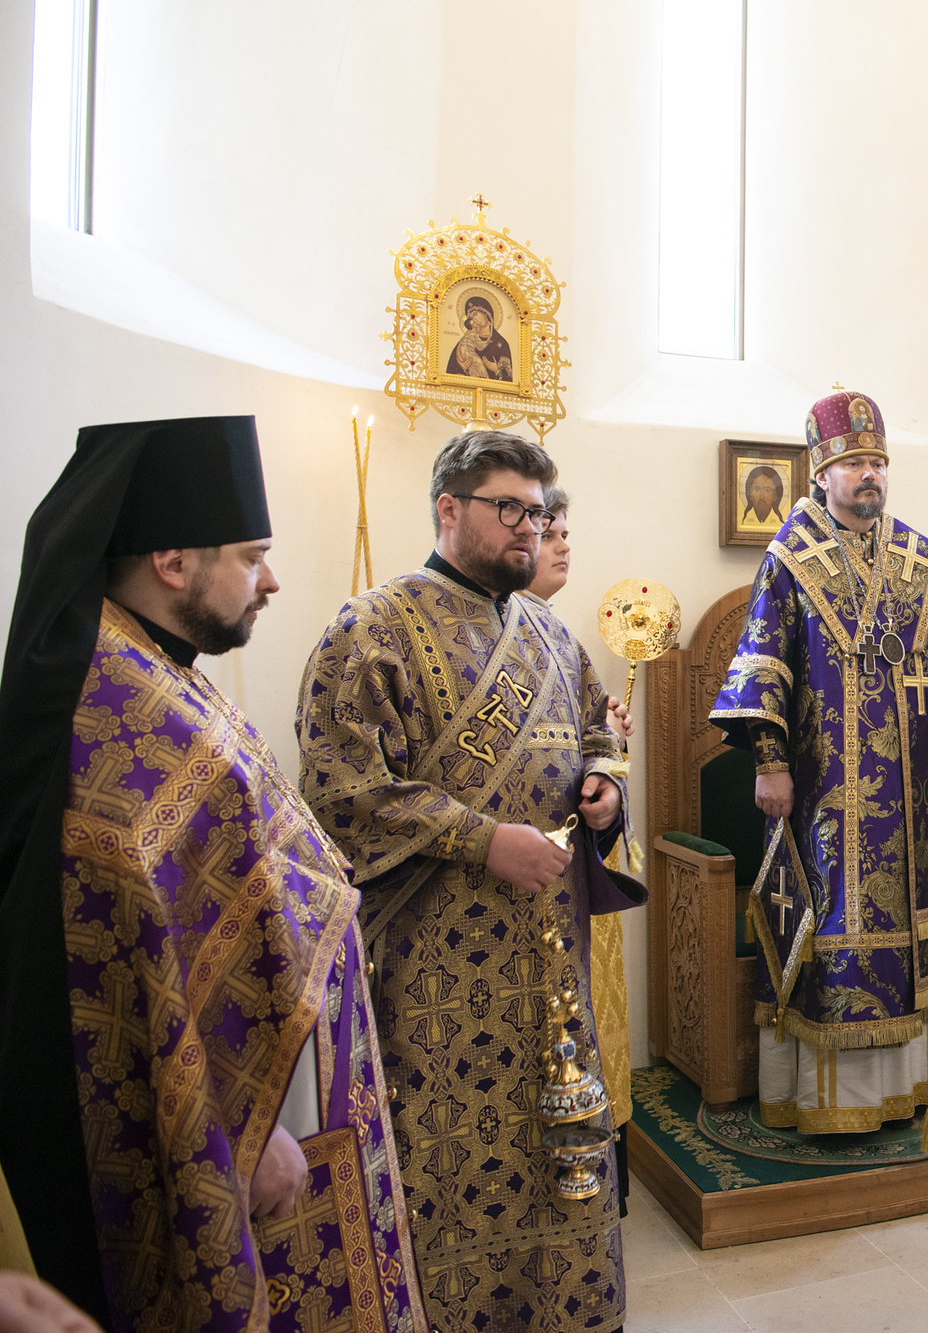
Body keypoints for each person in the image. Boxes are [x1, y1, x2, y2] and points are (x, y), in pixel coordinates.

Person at [0, 415, 418, 1331]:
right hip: (255, 1128)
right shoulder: (120, 710)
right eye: (252, 554)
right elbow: (142, 958)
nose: (270, 579)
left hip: (293, 1102)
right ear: (172, 562)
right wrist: (240, 1124)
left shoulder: (150, 667)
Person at [297, 431, 636, 1332]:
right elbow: (340, 792)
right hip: (431, 972)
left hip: (549, 961)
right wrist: (484, 839)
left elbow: (599, 733)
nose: (533, 529)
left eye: (542, 511)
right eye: (511, 509)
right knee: (447, 1164)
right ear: (450, 508)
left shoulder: (554, 638)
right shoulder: (372, 628)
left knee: (555, 1149)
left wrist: (606, 789)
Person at [710, 389, 928, 1143]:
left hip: (914, 795)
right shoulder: (788, 559)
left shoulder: (922, 556)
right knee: (835, 922)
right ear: (822, 471)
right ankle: (825, 1100)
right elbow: (763, 667)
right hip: (824, 790)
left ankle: (908, 1090)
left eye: (878, 461)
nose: (870, 474)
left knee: (913, 923)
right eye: (854, 463)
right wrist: (769, 764)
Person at [520, 486, 635, 1149]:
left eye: (565, 530)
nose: (563, 543)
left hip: (572, 870)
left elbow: (598, 747)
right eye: (550, 530)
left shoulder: (562, 640)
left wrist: (607, 771)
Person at [447, 295, 514, 380]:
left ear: (487, 314)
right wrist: (463, 368)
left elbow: (508, 381)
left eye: (475, 314)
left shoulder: (500, 344)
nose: (474, 319)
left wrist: (497, 370)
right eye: (471, 317)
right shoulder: (465, 341)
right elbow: (450, 374)